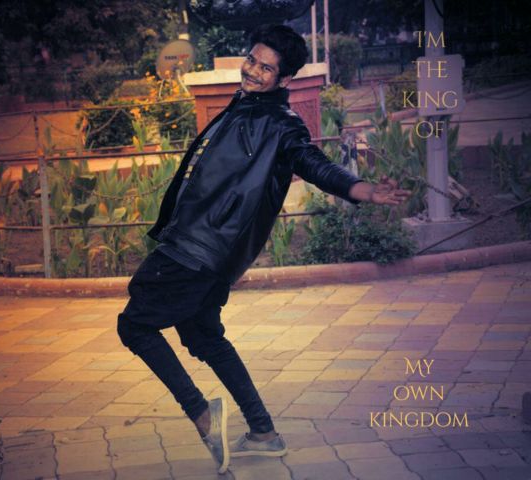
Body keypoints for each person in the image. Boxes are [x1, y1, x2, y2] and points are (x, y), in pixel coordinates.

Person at [117, 24, 409, 474]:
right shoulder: (247, 104)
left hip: (198, 247)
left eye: (266, 68)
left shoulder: (280, 125)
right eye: (252, 60)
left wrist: (361, 189)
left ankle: (201, 413)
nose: (253, 71)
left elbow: (313, 163)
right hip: (209, 247)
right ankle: (263, 432)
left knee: (134, 325)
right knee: (203, 337)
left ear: (285, 78)